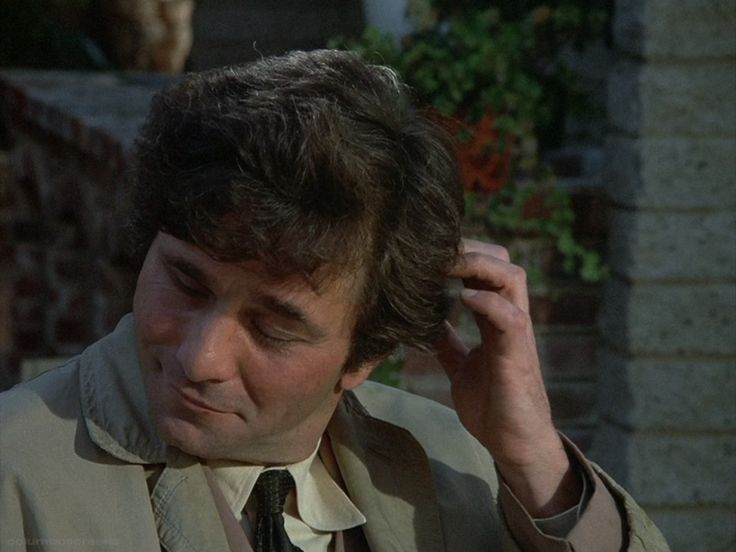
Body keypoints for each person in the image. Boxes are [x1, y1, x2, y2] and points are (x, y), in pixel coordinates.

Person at [0, 50, 668, 552]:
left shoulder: (459, 462)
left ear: (364, 355)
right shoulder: (16, 470)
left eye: (272, 328)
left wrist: (535, 462)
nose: (200, 357)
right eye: (186, 282)